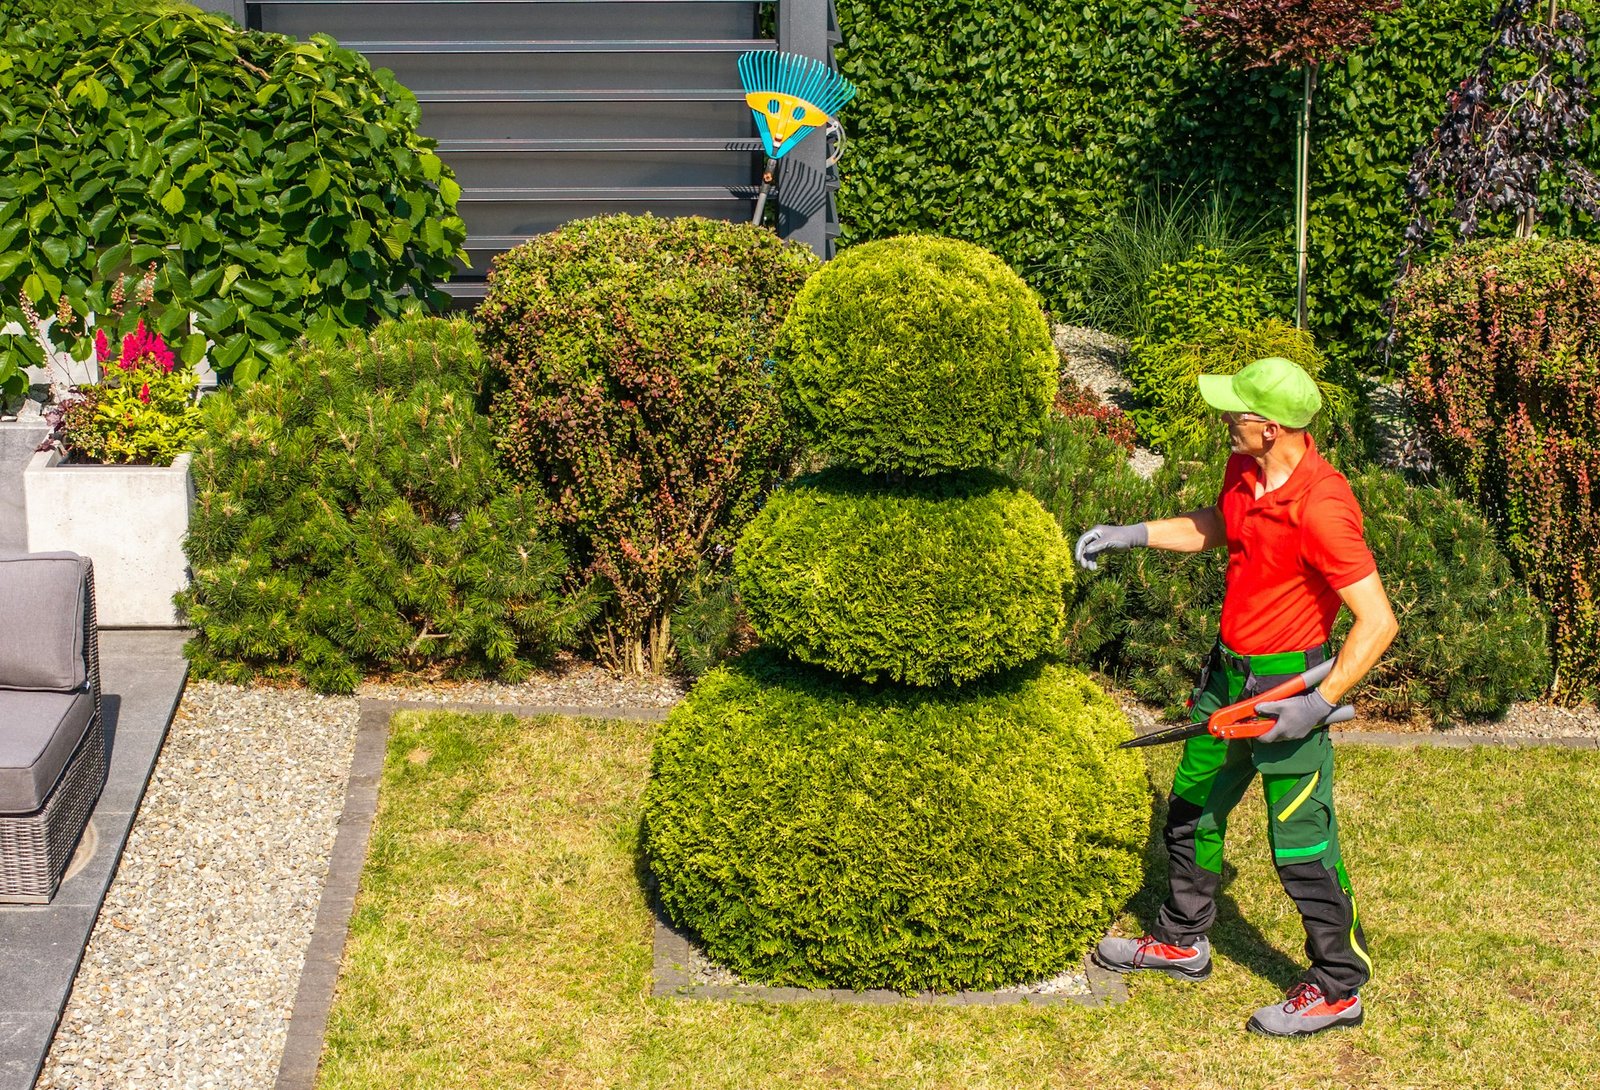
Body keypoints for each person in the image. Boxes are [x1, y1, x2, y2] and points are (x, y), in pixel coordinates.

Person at [1075, 356, 1397, 1038]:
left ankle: (1339, 987)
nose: (1226, 420)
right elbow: (1217, 525)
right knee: (1191, 810)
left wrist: (1318, 701)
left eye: (1236, 413)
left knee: (1303, 847)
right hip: (1225, 678)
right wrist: (1132, 535)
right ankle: (1183, 940)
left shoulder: (1323, 505)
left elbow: (1378, 620)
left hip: (1287, 689)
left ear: (1271, 426)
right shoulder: (1246, 471)